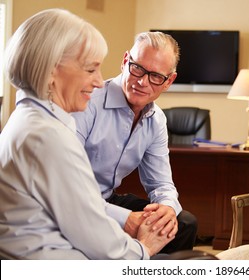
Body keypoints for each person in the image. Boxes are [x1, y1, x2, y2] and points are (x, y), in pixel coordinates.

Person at [0, 8, 174, 260]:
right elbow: (101, 241)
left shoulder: (30, 121)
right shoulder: (48, 136)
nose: (98, 81)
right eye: (90, 69)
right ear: (52, 70)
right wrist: (143, 250)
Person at [72, 31, 198, 254]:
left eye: (156, 76)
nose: (142, 81)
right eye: (137, 68)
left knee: (182, 223)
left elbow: (161, 184)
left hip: (107, 198)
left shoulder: (156, 119)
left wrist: (167, 208)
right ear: (125, 61)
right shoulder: (88, 101)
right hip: (76, 201)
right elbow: (67, 185)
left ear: (169, 81)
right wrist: (124, 218)